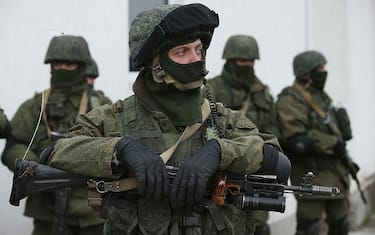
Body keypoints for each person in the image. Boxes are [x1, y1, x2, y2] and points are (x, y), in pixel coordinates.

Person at [45, 3, 291, 235]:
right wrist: (120, 149)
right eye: (181, 51)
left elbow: (277, 161)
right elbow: (57, 151)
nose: (196, 59)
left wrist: (221, 152)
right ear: (156, 64)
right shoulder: (113, 119)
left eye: (199, 49)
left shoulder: (223, 119)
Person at [1, 35, 112, 235]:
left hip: (91, 211)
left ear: (81, 66)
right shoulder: (36, 105)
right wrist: (33, 167)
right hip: (45, 208)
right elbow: (14, 144)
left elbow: (116, 149)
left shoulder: (101, 105)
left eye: (69, 64)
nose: (62, 69)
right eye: (57, 64)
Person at [207, 35, 280, 235]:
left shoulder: (261, 93)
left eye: (250, 62)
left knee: (258, 227)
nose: (246, 66)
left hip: (254, 172)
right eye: (241, 61)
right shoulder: (211, 90)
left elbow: (272, 131)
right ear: (230, 61)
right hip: (220, 171)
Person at [276, 50, 353, 235]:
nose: (324, 72)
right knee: (310, 227)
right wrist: (332, 142)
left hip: (336, 171)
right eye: (319, 69)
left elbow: (343, 133)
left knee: (342, 224)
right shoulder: (290, 99)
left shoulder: (322, 97)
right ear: (306, 73)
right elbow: (297, 139)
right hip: (310, 172)